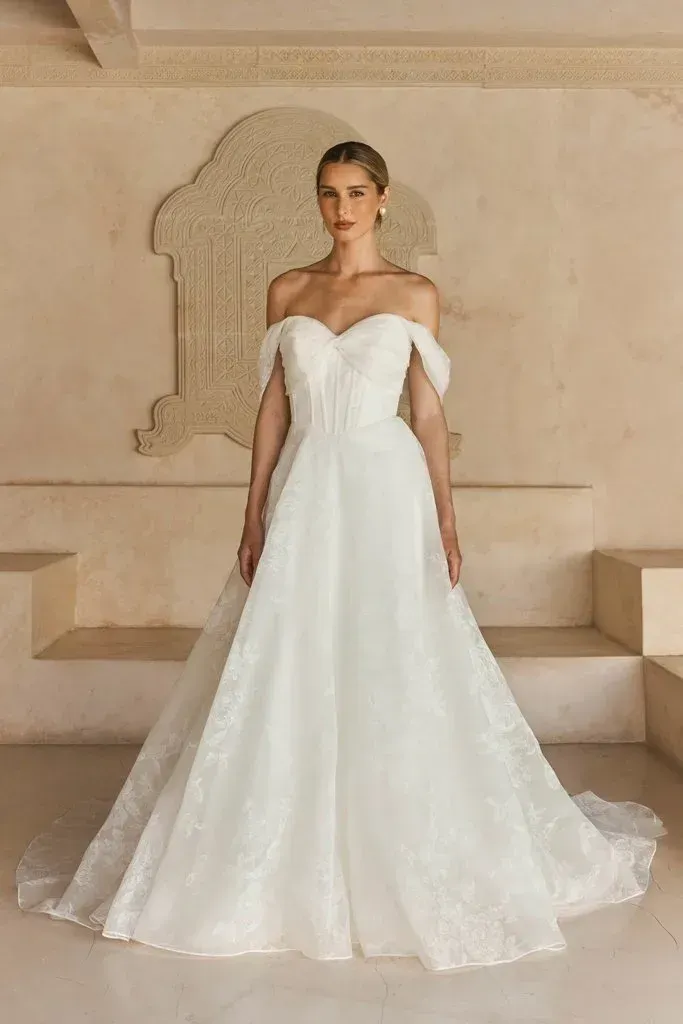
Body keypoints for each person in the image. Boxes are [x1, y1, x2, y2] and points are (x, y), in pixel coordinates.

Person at [17, 141, 664, 972]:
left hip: (385, 488)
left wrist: (445, 516)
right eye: (327, 193)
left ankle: (400, 837)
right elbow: (272, 411)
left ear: (383, 199)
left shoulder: (415, 294)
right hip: (305, 485)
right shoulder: (289, 289)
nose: (341, 207)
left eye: (356, 192)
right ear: (316, 201)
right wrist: (251, 510)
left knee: (391, 650)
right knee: (287, 651)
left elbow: (426, 416)